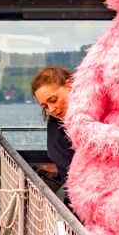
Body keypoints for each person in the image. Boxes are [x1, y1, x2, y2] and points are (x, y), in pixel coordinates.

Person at [30, 66, 75, 194]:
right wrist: (58, 168)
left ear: (69, 85)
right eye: (45, 106)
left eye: (54, 100)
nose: (51, 109)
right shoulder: (56, 126)